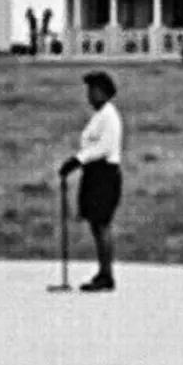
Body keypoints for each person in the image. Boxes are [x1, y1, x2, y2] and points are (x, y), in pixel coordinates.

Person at [59, 70, 123, 292]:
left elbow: (103, 147)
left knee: (102, 223)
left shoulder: (109, 116)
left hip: (105, 173)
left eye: (93, 90)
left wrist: (77, 160)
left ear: (104, 92)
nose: (89, 95)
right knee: (96, 224)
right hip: (94, 173)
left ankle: (107, 274)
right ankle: (103, 270)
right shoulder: (100, 115)